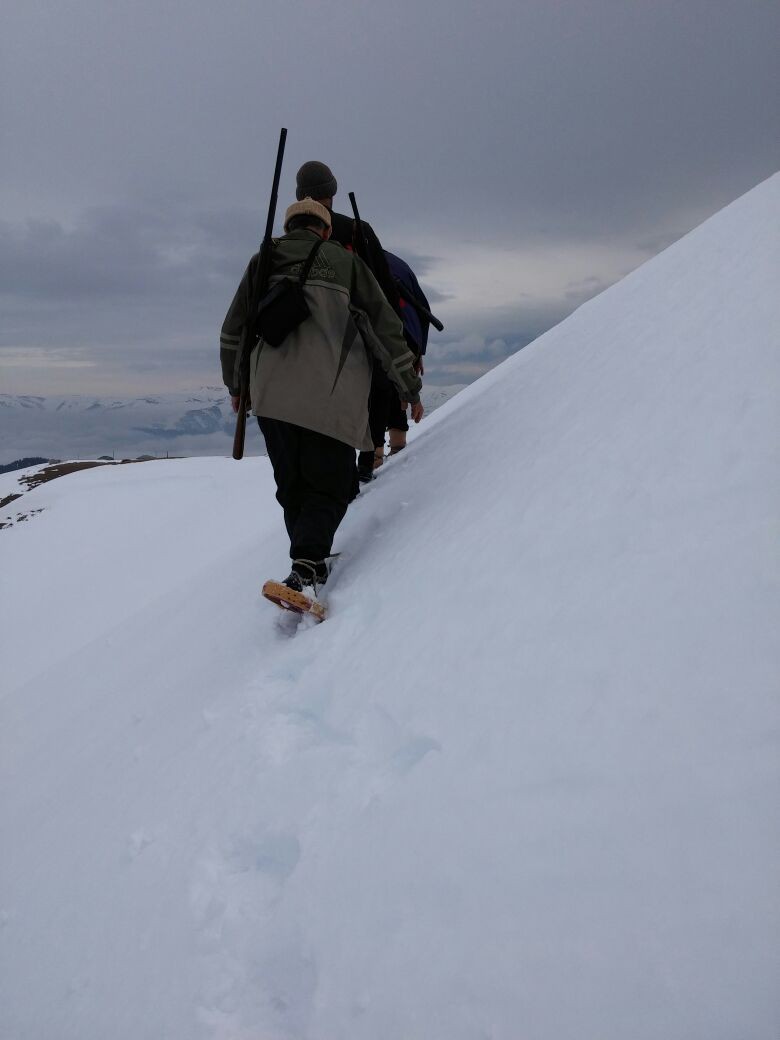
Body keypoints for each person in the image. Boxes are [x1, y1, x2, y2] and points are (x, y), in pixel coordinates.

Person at [219, 197, 424, 593]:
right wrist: (409, 388)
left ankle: (306, 562)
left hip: (271, 397)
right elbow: (386, 330)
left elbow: (232, 331)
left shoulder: (264, 260)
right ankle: (308, 566)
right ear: (327, 230)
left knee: (293, 487)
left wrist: (237, 386)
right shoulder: (347, 265)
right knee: (333, 485)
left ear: (288, 227)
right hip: (331, 396)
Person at [294, 161, 402, 482]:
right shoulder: (357, 229)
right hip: (362, 328)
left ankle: (341, 470)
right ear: (332, 192)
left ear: (300, 196)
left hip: (315, 337)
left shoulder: (290, 240)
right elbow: (386, 287)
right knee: (377, 385)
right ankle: (368, 458)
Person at [384, 250, 433, 456]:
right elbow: (423, 308)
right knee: (397, 392)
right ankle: (396, 450)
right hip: (410, 335)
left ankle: (374, 460)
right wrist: (418, 350)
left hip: (383, 334)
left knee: (378, 393)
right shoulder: (399, 265)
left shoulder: (354, 259)